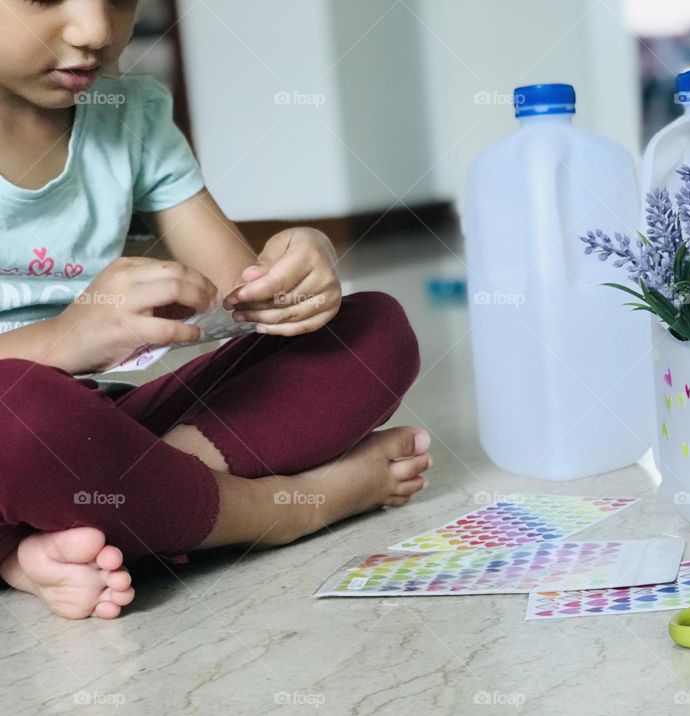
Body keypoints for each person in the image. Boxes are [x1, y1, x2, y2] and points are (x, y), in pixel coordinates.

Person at [0, 0, 431, 620]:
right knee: (21, 416)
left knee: (372, 330)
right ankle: (288, 509)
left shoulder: (131, 111)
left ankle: (70, 526)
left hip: (91, 434)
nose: (95, 30)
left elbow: (244, 296)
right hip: (26, 431)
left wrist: (297, 266)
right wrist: (59, 341)